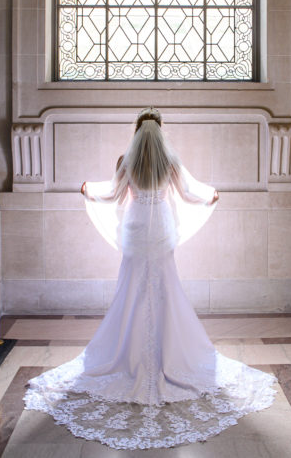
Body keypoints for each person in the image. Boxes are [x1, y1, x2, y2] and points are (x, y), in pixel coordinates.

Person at [24, 108, 277, 450]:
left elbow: (113, 194)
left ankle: (126, 354)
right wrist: (211, 195)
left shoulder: (124, 160)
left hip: (136, 225)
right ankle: (167, 353)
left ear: (137, 130)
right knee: (165, 288)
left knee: (131, 290)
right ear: (160, 131)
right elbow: (188, 194)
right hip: (160, 227)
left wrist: (87, 190)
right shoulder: (170, 161)